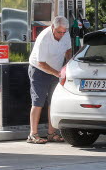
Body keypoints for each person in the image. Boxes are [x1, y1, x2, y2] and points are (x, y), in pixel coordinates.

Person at [27, 16, 72, 144]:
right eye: (59, 32)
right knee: (38, 101)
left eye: (64, 32)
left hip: (56, 70)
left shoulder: (66, 34)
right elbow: (41, 63)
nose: (61, 35)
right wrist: (57, 73)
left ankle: (51, 133)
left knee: (53, 101)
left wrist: (68, 64)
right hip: (39, 70)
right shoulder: (44, 38)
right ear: (52, 27)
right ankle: (33, 134)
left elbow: (68, 51)